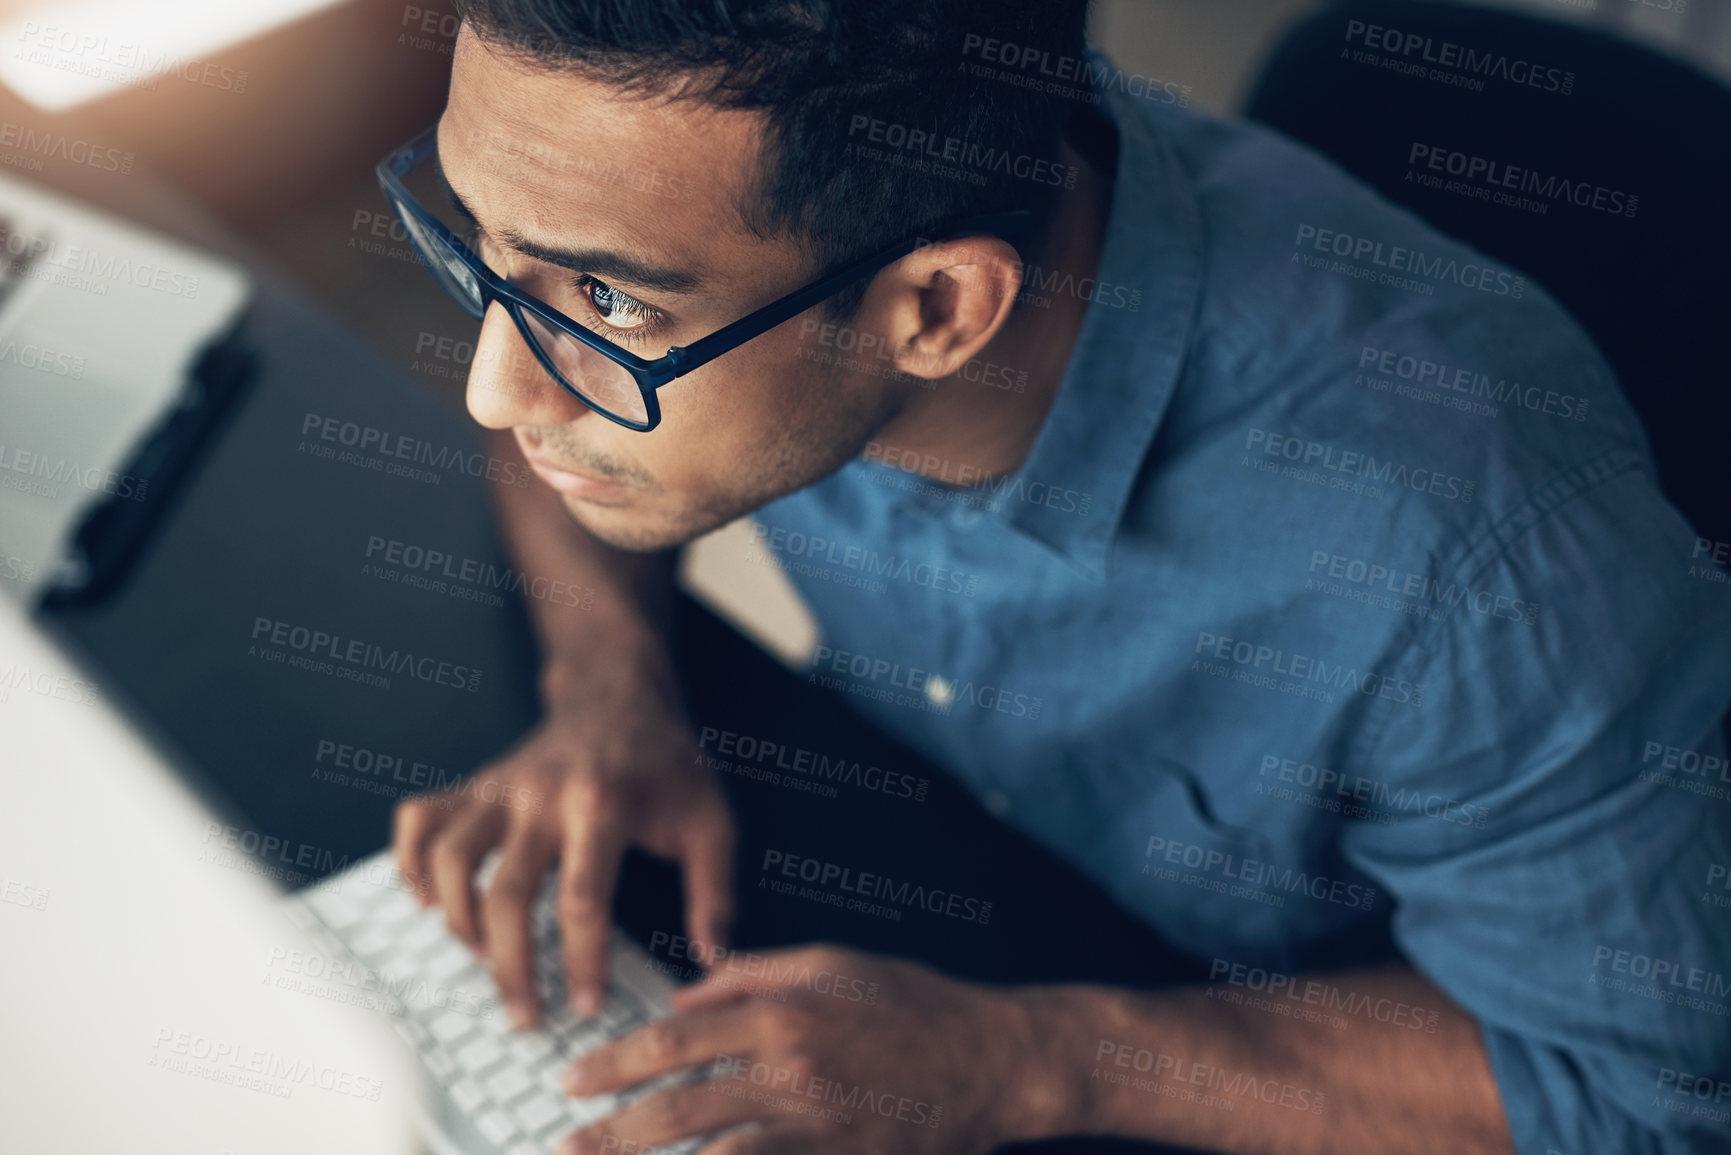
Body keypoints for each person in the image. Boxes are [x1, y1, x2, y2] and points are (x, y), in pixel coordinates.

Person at [384, 2, 1731, 1152]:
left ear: (936, 315)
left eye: (605, 304)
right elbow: (556, 411)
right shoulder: (804, 232)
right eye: (481, 247)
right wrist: (610, 688)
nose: (494, 391)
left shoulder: (1486, 569)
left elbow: (1631, 1093)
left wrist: (1030, 1058)